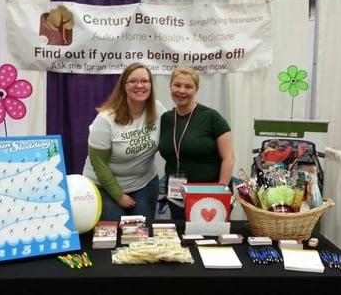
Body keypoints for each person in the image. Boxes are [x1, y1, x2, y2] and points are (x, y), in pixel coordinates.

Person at [82, 63, 166, 221]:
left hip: (145, 183)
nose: (139, 85)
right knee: (117, 234)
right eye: (133, 81)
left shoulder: (158, 109)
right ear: (123, 86)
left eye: (144, 81)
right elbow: (98, 162)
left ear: (150, 85)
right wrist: (119, 196)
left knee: (142, 236)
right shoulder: (105, 119)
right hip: (104, 186)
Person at [158, 67, 235, 219]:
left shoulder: (211, 117)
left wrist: (220, 192)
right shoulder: (166, 118)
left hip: (210, 197)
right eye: (177, 85)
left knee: (210, 242)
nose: (181, 90)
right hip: (177, 195)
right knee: (181, 240)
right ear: (170, 86)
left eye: (188, 86)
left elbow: (229, 158)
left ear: (196, 89)